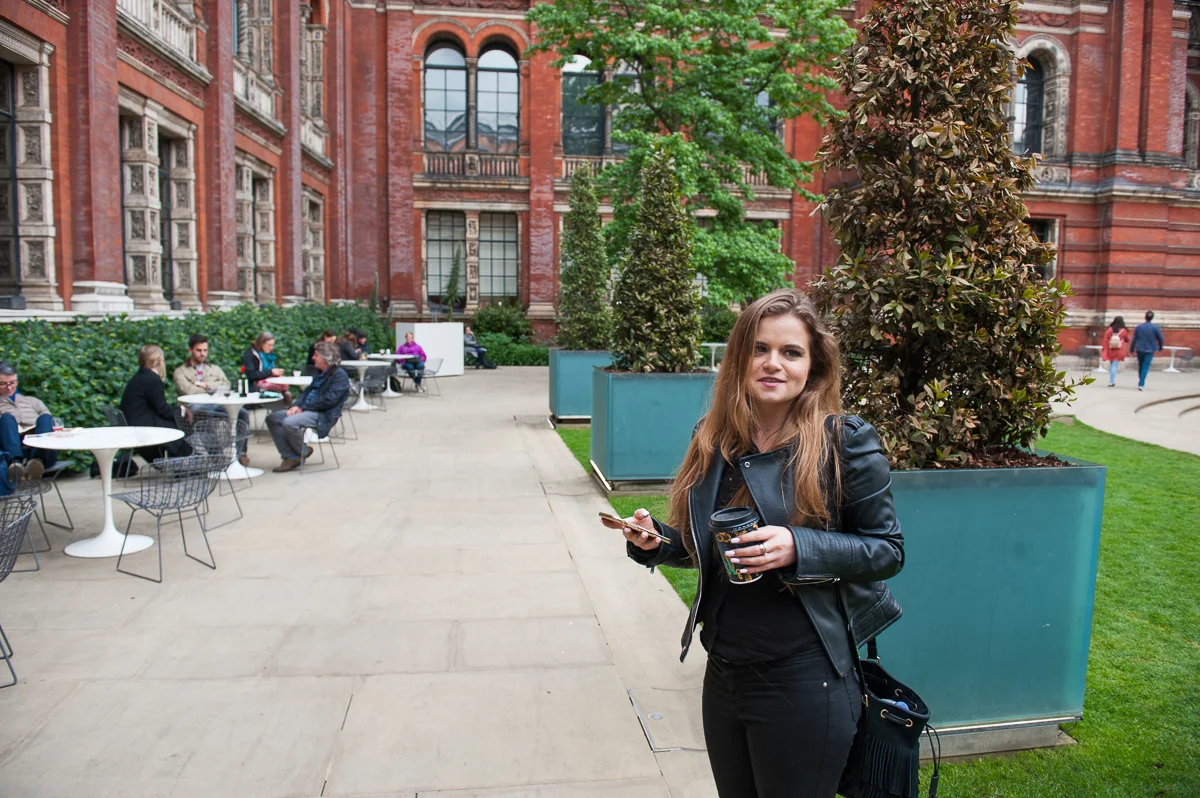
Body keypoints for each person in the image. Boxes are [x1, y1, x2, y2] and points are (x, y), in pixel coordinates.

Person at [601, 289, 904, 798]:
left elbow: (887, 550)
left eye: (791, 352)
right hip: (723, 673)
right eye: (759, 349)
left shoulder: (844, 442)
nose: (773, 363)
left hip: (804, 678)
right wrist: (657, 542)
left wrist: (798, 546)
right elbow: (708, 547)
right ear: (738, 359)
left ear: (813, 365)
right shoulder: (714, 438)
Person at [265, 341, 350, 472]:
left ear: (325, 357)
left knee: (289, 422)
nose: (313, 358)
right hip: (307, 409)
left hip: (322, 414)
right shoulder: (319, 373)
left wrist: (303, 408)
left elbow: (329, 400)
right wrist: (296, 406)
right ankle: (291, 456)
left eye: (316, 355)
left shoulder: (339, 376)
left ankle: (301, 451)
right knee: (273, 418)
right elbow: (306, 392)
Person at [173, 334, 252, 466]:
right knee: (202, 412)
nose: (202, 354)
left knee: (243, 413)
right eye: (199, 350)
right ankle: (217, 456)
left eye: (205, 350)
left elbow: (226, 385)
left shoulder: (214, 368)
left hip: (216, 404)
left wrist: (206, 385)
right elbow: (188, 390)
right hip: (194, 406)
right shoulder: (180, 371)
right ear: (190, 350)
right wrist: (214, 387)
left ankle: (240, 453)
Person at [119, 344, 194, 462]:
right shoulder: (152, 379)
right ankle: (182, 464)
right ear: (160, 361)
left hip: (132, 422)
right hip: (140, 425)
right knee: (179, 426)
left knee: (175, 422)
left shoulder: (138, 377)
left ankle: (171, 462)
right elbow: (162, 409)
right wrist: (182, 410)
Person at [0, 361, 57, 484]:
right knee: (6, 419)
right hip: (10, 451)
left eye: (12, 383)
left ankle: (36, 462)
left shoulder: (32, 401)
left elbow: (53, 425)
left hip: (42, 450)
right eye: (3, 384)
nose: (9, 388)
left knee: (46, 418)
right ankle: (16, 464)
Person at [242, 331, 292, 404]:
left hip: (267, 380)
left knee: (285, 386)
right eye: (269, 345)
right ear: (261, 343)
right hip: (255, 385)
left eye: (273, 345)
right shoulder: (250, 355)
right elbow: (251, 375)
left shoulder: (268, 355)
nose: (271, 348)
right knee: (284, 388)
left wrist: (276, 373)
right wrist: (271, 372)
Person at [1132, 310, 1165, 391]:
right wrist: (1160, 347)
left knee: (1141, 366)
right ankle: (1141, 383)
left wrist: (1132, 348)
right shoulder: (1155, 327)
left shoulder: (1139, 327)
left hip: (1140, 348)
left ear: (1145, 317)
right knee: (1145, 366)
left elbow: (1134, 339)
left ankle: (1141, 380)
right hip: (1150, 349)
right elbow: (1160, 338)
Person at [1101, 316, 1130, 388]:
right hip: (1119, 351)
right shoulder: (1123, 331)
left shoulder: (1109, 330)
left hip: (1110, 350)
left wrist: (1104, 349)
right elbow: (1127, 339)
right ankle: (1111, 381)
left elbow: (1105, 340)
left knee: (1112, 365)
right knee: (1115, 366)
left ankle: (1111, 381)